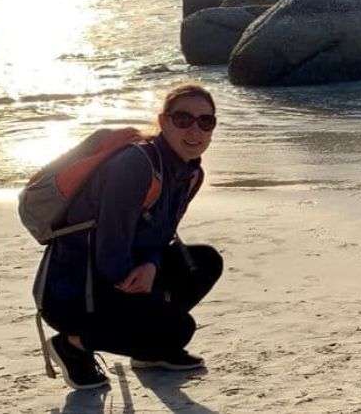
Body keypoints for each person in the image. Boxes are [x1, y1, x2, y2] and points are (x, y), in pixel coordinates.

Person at [33, 83, 223, 390]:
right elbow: (110, 252)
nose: (195, 130)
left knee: (205, 262)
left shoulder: (189, 174)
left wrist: (151, 264)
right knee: (178, 329)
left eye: (206, 121)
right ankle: (73, 345)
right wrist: (147, 295)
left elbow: (159, 237)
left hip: (121, 276)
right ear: (163, 122)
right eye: (183, 119)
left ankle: (150, 352)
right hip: (74, 293)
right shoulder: (135, 165)